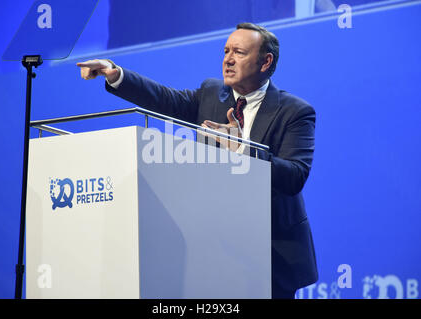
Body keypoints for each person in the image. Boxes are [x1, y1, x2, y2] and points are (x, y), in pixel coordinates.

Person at [77, 22, 318, 299]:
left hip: (270, 253)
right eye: (226, 51)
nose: (228, 59)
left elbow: (295, 176)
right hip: (212, 248)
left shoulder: (295, 112)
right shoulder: (211, 94)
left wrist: (243, 150)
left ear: (266, 62)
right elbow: (165, 100)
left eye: (238, 52)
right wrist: (116, 74)